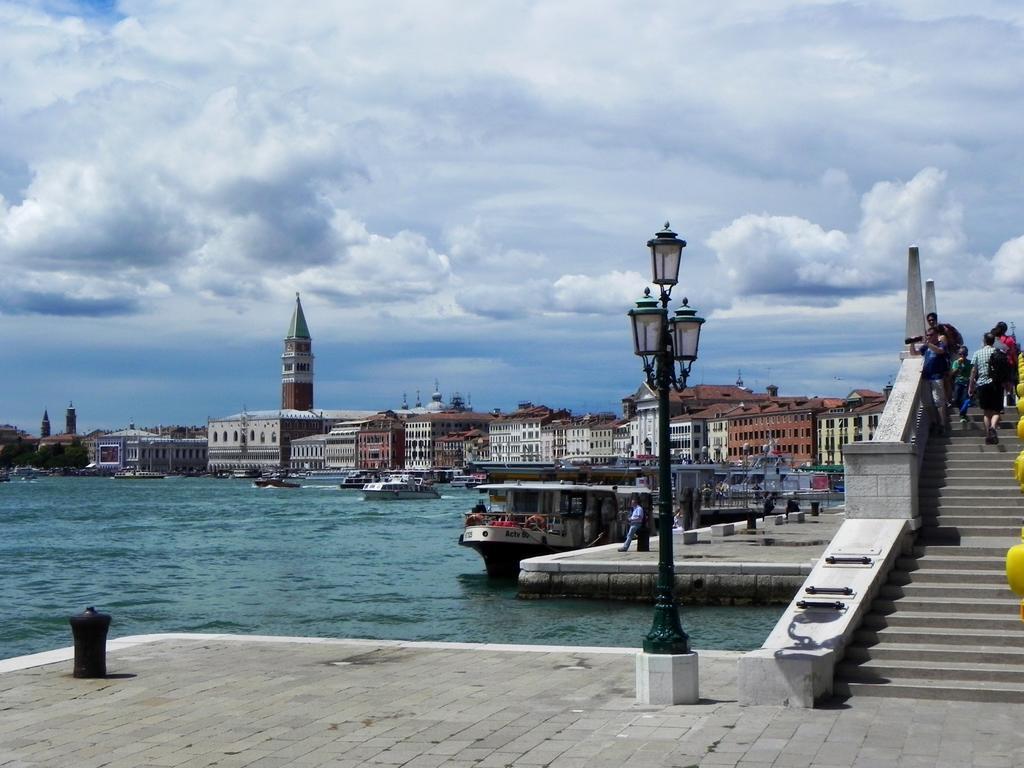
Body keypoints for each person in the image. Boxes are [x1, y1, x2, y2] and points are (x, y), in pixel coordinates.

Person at [969, 333, 1003, 444]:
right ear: (993, 341)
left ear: (984, 341)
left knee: (986, 412)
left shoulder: (978, 353)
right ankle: (993, 427)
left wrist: (971, 386)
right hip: (996, 384)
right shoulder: (999, 352)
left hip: (982, 385)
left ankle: (988, 435)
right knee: (996, 411)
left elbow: (974, 371)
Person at [917, 325, 950, 435]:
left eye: (930, 335)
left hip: (937, 376)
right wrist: (912, 343)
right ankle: (934, 422)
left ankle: (942, 424)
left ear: (936, 335)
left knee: (939, 402)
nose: (928, 337)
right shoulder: (926, 347)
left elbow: (940, 351)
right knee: (927, 402)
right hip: (926, 376)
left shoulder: (941, 344)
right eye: (927, 335)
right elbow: (914, 353)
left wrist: (928, 344)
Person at [992, 321, 1018, 406]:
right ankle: (1009, 395)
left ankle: (1001, 401)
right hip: (1008, 362)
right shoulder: (1010, 340)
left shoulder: (995, 339)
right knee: (1009, 381)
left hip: (997, 364)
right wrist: (1016, 363)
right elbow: (1013, 353)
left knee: (999, 383)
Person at [950, 345, 972, 423]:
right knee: (956, 399)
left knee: (965, 399)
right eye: (961, 354)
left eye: (964, 354)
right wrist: (959, 366)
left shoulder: (970, 363)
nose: (962, 355)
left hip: (966, 383)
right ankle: (962, 413)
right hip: (958, 383)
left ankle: (963, 415)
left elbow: (973, 374)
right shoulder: (956, 362)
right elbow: (952, 374)